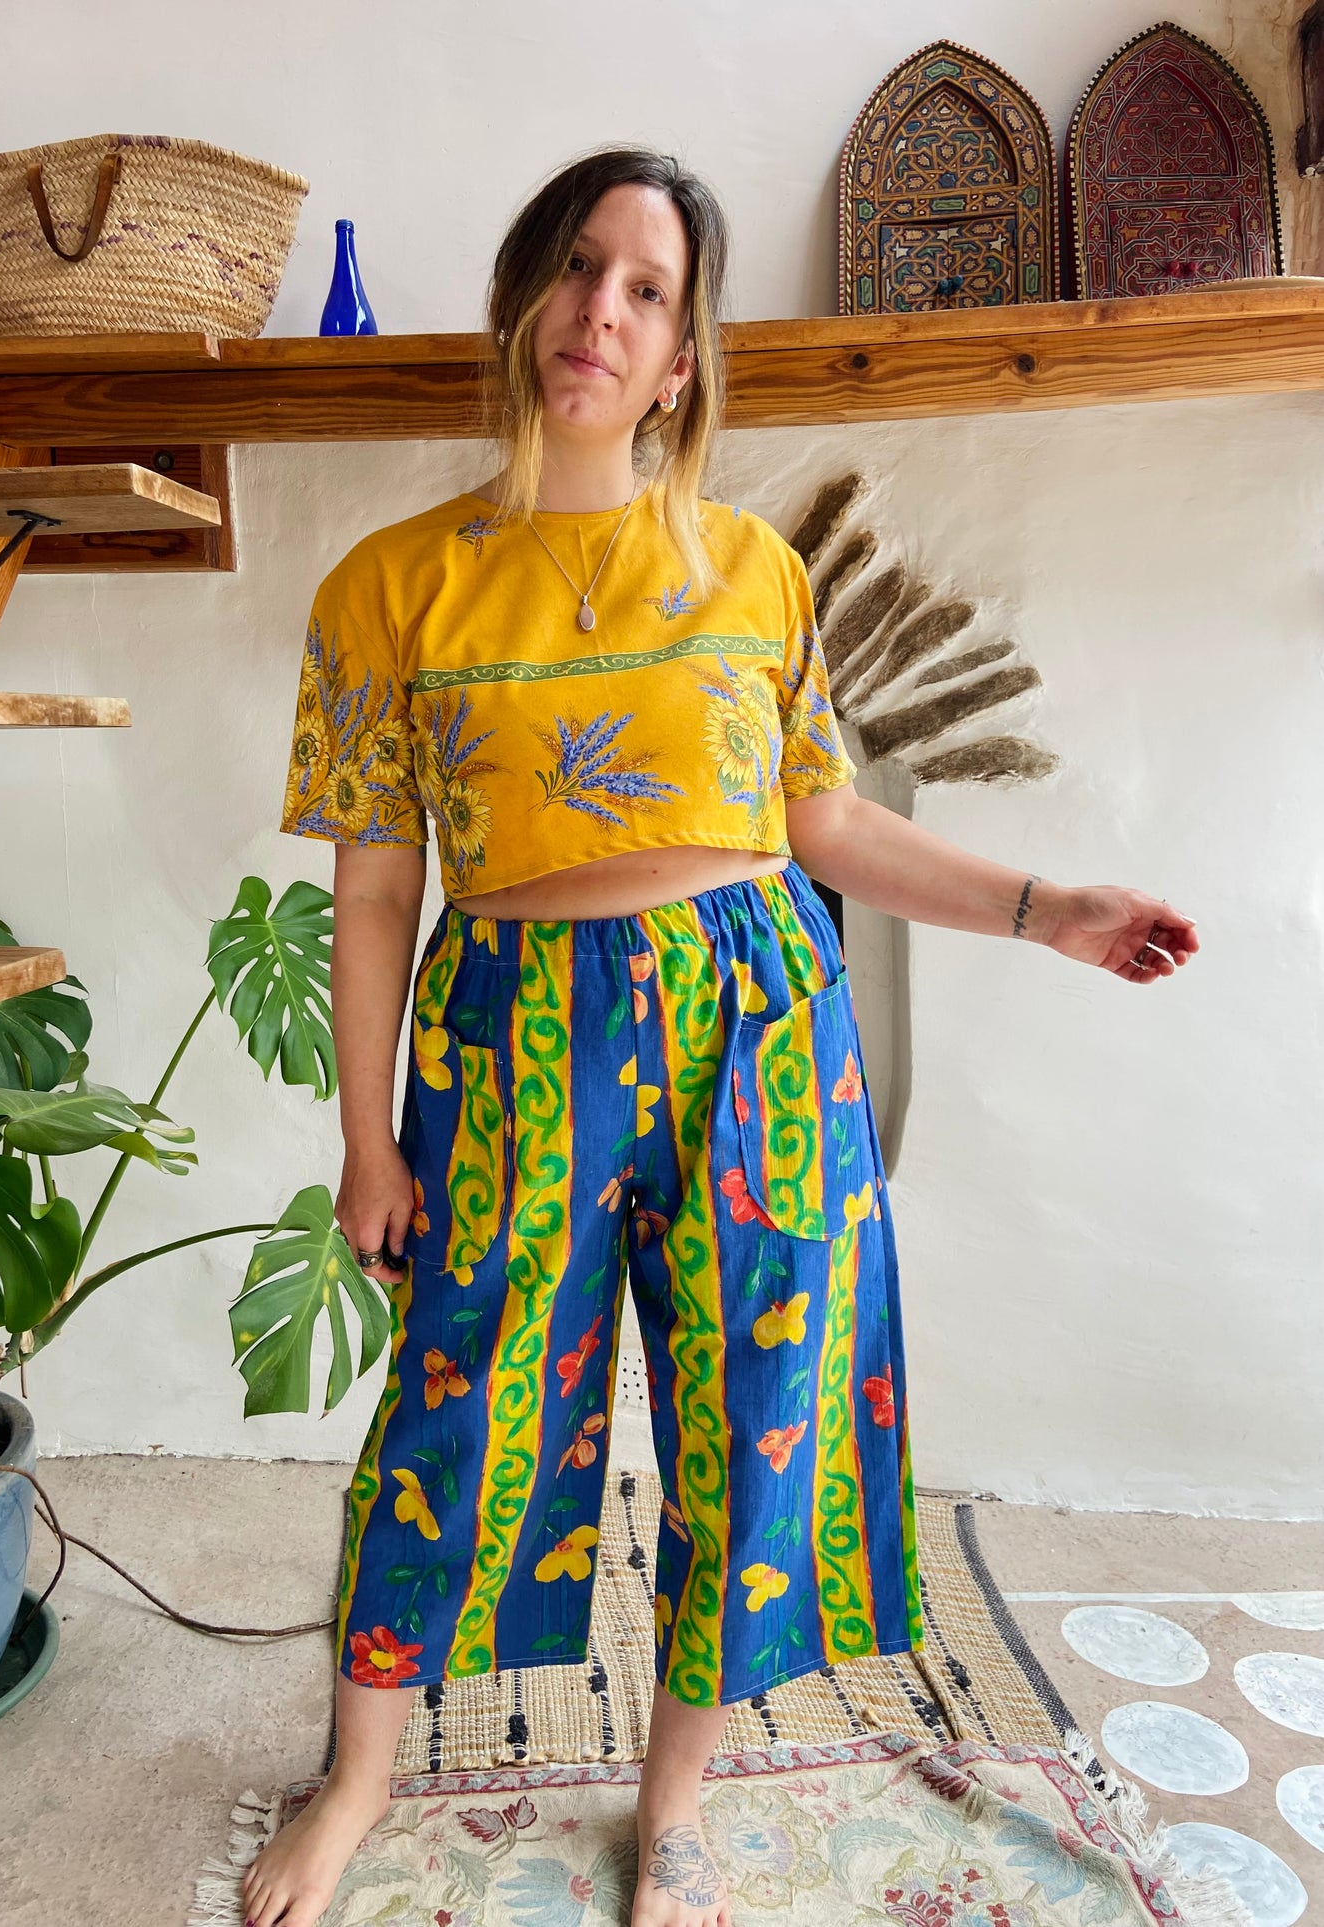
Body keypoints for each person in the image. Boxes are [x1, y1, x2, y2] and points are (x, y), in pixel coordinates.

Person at [245, 144, 1199, 1927]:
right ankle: (358, 1775)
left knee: (757, 1414)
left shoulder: (755, 573)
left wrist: (1044, 906)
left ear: (681, 358)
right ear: (520, 299)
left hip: (753, 1016)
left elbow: (821, 826)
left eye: (646, 289)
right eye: (573, 267)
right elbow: (373, 890)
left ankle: (671, 1804)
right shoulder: (390, 585)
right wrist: (365, 1138)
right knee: (458, 1407)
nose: (599, 311)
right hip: (511, 1029)